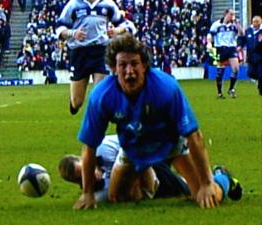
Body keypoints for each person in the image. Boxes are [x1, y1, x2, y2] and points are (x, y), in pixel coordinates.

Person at [74, 33, 242, 210]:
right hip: (132, 147)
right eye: (122, 65)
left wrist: (207, 183)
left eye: (134, 64)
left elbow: (194, 135)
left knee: (207, 196)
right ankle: (146, 184)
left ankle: (222, 178)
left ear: (144, 65)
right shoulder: (102, 96)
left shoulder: (166, 87)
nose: (129, 71)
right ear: (113, 69)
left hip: (171, 145)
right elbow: (89, 146)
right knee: (118, 198)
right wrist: (87, 193)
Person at [55, 0, 137, 115]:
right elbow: (59, 27)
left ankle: (96, 120)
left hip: (101, 51)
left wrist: (116, 31)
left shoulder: (107, 4)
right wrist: (73, 33)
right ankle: (74, 103)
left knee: (100, 95)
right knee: (77, 102)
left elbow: (124, 24)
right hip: (79, 53)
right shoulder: (73, 4)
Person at [59, 135, 190, 203]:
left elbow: (132, 154)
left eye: (85, 170)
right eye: (80, 177)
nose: (90, 175)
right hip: (145, 169)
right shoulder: (97, 193)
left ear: (84, 159)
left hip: (148, 148)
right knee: (183, 189)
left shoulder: (103, 148)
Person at [207, 9, 244, 99]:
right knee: (220, 71)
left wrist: (237, 24)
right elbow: (210, 35)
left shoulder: (234, 25)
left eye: (233, 14)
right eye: (231, 14)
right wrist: (209, 43)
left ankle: (231, 89)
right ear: (226, 14)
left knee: (236, 69)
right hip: (220, 48)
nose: (232, 16)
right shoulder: (217, 24)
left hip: (231, 48)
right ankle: (220, 93)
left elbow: (242, 33)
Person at [242, 15, 262, 95]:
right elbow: (243, 39)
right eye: (254, 21)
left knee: (261, 74)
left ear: (260, 22)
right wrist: (240, 45)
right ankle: (259, 82)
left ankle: (260, 89)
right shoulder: (248, 31)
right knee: (250, 73)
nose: (255, 23)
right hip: (250, 56)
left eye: (257, 21)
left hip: (260, 56)